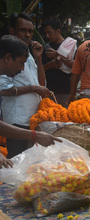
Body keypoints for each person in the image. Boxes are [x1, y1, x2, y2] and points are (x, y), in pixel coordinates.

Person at [0, 35, 61, 168]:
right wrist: (35, 135)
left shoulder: (31, 59)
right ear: (8, 58)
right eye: (21, 63)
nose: (22, 68)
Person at [0, 12, 51, 159]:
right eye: (23, 30)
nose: (28, 35)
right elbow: (3, 89)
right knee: (16, 162)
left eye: (30, 31)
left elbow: (41, 84)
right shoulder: (8, 57)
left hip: (32, 118)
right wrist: (33, 88)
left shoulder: (28, 56)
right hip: (17, 120)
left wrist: (39, 58)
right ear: (12, 31)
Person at [42, 18, 77, 107]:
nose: (47, 36)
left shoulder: (70, 46)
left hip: (65, 91)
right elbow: (39, 69)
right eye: (45, 33)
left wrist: (58, 57)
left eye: (49, 32)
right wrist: (50, 65)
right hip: (48, 91)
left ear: (58, 31)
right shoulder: (46, 48)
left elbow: (76, 66)